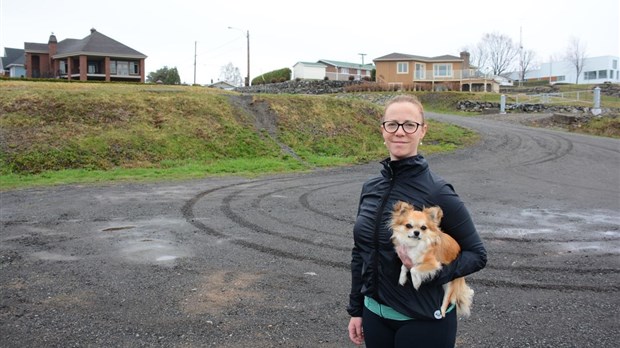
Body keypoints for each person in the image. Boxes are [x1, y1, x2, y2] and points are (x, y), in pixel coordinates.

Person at [347, 95, 487, 348]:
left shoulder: (438, 191)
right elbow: (362, 252)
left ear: (422, 131)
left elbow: (477, 254)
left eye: (409, 125)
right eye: (392, 124)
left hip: (423, 321)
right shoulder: (370, 188)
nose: (400, 132)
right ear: (383, 130)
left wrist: (428, 272)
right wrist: (357, 309)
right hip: (374, 316)